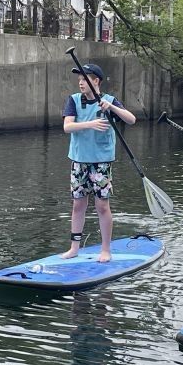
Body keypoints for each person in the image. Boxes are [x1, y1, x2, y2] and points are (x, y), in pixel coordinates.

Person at [61, 63, 136, 263]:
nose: (80, 83)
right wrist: (90, 124)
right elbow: (67, 127)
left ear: (96, 81)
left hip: (101, 163)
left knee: (102, 206)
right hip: (79, 161)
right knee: (78, 205)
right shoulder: (74, 100)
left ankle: (106, 250)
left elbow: (131, 120)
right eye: (79, 80)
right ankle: (74, 248)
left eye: (85, 79)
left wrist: (111, 108)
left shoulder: (109, 101)